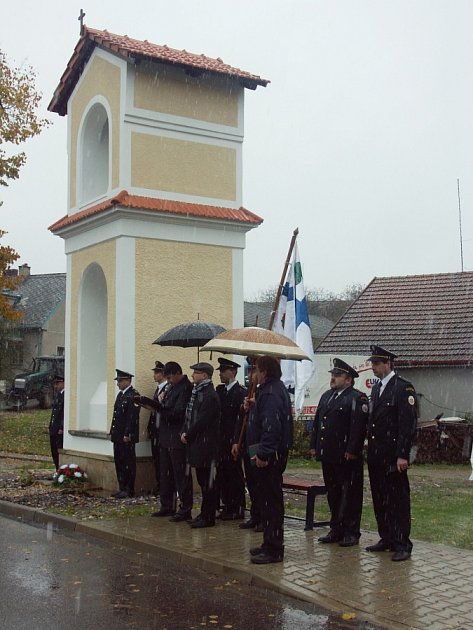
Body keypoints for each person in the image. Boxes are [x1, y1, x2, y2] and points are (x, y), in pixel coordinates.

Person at [365, 345, 418, 562]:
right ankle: (386, 537)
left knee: (397, 500)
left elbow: (407, 425)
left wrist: (403, 454)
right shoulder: (377, 389)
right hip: (377, 454)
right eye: (372, 364)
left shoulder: (403, 388)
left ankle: (402, 543)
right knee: (380, 498)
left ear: (388, 363)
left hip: (393, 456)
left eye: (377, 364)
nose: (374, 368)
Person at [309, 358, 368, 547]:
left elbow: (358, 427)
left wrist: (352, 449)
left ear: (348, 379)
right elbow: (318, 421)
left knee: (349, 494)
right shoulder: (327, 395)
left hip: (346, 456)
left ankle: (351, 531)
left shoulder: (357, 398)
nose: (333, 378)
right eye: (333, 374)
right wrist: (314, 444)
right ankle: (336, 528)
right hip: (329, 454)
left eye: (338, 375)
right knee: (333, 493)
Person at [245, 355, 293, 564]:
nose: (253, 374)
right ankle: (268, 543)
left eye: (255, 369)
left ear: (263, 372)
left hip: (269, 456)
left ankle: (274, 549)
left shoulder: (272, 392)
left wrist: (264, 453)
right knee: (266, 501)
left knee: (271, 502)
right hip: (263, 452)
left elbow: (272, 426)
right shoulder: (268, 390)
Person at [181, 362, 221, 528]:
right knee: (204, 482)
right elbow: (190, 415)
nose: (192, 376)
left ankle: (208, 516)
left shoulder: (209, 395)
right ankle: (204, 514)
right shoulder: (198, 392)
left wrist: (188, 434)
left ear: (205, 375)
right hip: (199, 445)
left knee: (208, 484)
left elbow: (202, 421)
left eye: (196, 373)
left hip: (207, 446)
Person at [156, 361, 193, 521]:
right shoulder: (171, 387)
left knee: (180, 475)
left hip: (177, 437)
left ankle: (185, 508)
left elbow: (178, 413)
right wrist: (160, 401)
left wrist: (159, 408)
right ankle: (167, 505)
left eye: (170, 377)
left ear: (178, 373)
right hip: (166, 437)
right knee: (166, 474)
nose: (169, 381)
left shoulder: (185, 388)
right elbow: (167, 406)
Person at [215, 357, 246, 520]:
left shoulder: (241, 392)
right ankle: (227, 505)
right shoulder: (219, 391)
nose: (220, 374)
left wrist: (236, 441)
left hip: (233, 440)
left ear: (233, 372)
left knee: (234, 474)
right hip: (220, 440)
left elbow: (240, 420)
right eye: (220, 371)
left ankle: (237, 506)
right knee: (223, 474)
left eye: (223, 370)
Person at [109, 369, 140, 499]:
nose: (118, 384)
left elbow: (132, 417)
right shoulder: (121, 395)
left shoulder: (134, 395)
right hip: (118, 435)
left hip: (126, 436)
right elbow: (116, 416)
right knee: (119, 462)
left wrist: (127, 434)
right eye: (118, 381)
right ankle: (122, 487)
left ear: (127, 380)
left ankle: (129, 489)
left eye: (120, 381)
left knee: (128, 463)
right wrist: (112, 430)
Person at [144, 361, 167, 495]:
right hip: (155, 429)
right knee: (156, 460)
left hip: (162, 430)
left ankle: (163, 486)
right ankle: (159, 484)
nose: (154, 375)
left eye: (156, 372)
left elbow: (161, 409)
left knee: (161, 461)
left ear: (162, 374)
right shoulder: (158, 389)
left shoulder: (166, 389)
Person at [49, 374, 65, 470]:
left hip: (59, 429)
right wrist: (50, 426)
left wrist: (61, 427)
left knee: (58, 451)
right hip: (54, 428)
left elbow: (64, 413)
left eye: (57, 383)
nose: (55, 386)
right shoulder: (58, 395)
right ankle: (57, 469)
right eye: (54, 384)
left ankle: (60, 469)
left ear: (63, 383)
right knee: (54, 451)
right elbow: (54, 412)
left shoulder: (65, 396)